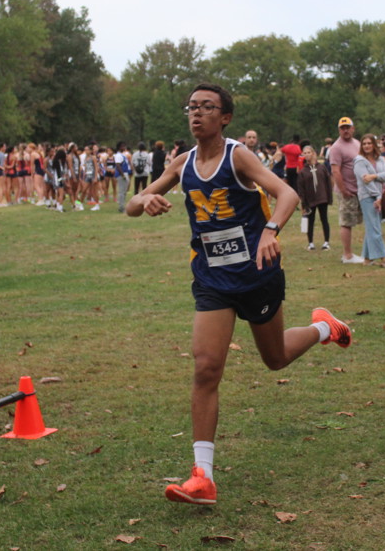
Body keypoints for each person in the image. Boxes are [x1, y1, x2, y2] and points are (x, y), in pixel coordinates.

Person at [126, 83, 352, 507]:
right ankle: (203, 477)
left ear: (225, 117)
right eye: (192, 107)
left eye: (207, 107)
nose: (196, 113)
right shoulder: (182, 162)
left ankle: (324, 328)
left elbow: (287, 193)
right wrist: (145, 198)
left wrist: (270, 231)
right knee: (206, 367)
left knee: (275, 358)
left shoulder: (238, 156)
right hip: (212, 278)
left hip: (257, 273)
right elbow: (132, 205)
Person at [354, 134, 385, 268]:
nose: (367, 146)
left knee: (373, 226)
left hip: (379, 196)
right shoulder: (359, 161)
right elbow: (365, 181)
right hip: (367, 197)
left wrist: (374, 176)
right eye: (364, 143)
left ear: (374, 145)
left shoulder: (380, 159)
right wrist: (377, 197)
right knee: (375, 228)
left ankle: (368, 259)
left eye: (369, 143)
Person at [328, 117, 364, 264]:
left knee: (364, 220)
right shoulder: (336, 147)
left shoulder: (357, 143)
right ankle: (347, 255)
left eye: (348, 127)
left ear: (353, 129)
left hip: (360, 189)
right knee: (346, 222)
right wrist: (344, 190)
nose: (345, 130)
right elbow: (335, 171)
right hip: (347, 191)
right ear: (339, 130)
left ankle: (367, 252)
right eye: (342, 128)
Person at [297, 145, 332, 251]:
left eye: (309, 152)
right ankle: (310, 243)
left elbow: (328, 183)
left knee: (324, 219)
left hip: (322, 198)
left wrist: (329, 197)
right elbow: (301, 189)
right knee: (310, 221)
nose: (307, 155)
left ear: (313, 153)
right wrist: (303, 203)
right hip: (310, 200)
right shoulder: (303, 171)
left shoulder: (322, 167)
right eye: (305, 153)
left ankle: (326, 242)